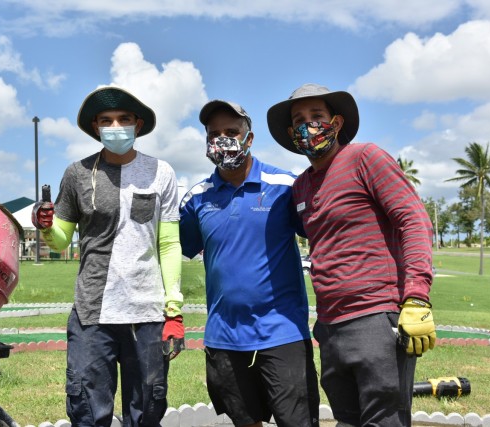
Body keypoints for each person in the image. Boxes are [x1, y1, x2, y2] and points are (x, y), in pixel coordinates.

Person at [267, 83, 436, 427]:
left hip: (375, 316)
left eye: (317, 117)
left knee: (383, 420)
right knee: (347, 420)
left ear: (337, 123)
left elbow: (413, 219)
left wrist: (417, 297)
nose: (308, 126)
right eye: (299, 120)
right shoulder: (301, 186)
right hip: (330, 326)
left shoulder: (365, 158)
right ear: (290, 133)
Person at [31, 86, 185, 427]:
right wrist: (44, 226)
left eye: (124, 119)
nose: (116, 126)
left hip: (146, 312)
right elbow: (59, 241)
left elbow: (169, 244)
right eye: (106, 120)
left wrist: (173, 310)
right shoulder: (78, 174)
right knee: (87, 411)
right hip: (92, 314)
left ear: (138, 124)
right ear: (96, 127)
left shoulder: (161, 172)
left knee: (146, 410)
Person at [179, 100, 320, 427]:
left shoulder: (285, 187)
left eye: (231, 132)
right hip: (224, 337)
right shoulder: (197, 198)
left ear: (250, 138)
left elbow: (324, 231)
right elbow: (175, 249)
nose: (222, 139)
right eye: (214, 134)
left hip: (282, 333)